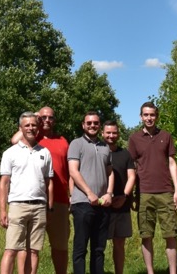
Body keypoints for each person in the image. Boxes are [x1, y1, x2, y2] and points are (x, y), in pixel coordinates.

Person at [12, 107, 72, 274]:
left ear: (55, 120)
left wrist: (72, 195)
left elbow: (70, 171)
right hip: (33, 200)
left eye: (50, 117)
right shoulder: (31, 138)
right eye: (43, 117)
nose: (46, 120)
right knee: (28, 247)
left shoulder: (63, 141)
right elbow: (14, 140)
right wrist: (35, 115)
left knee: (60, 246)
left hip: (59, 201)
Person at [127, 101, 177, 274]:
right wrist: (133, 194)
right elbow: (132, 168)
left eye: (152, 115)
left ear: (156, 116)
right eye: (146, 115)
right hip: (144, 192)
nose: (149, 118)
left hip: (165, 191)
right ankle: (150, 272)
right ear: (141, 117)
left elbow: (172, 163)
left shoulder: (166, 135)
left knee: (170, 234)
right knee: (146, 235)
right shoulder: (134, 139)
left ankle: (173, 271)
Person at [0, 112, 54, 274]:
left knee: (34, 251)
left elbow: (49, 183)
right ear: (20, 128)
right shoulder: (10, 153)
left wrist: (49, 208)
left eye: (34, 125)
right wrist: (2, 210)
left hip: (39, 207)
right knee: (11, 250)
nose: (30, 128)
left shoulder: (45, 152)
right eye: (27, 125)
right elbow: (4, 183)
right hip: (17, 206)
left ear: (38, 128)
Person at [68, 111, 114, 274]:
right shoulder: (76, 144)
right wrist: (89, 193)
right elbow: (73, 171)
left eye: (95, 123)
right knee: (80, 248)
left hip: (103, 204)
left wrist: (109, 193)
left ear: (99, 125)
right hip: (82, 203)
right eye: (89, 123)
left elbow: (110, 172)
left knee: (99, 248)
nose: (92, 125)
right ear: (83, 125)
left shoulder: (105, 147)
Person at [102, 120, 136, 274]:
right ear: (102, 134)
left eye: (114, 133)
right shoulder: (97, 151)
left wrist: (124, 196)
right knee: (99, 244)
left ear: (118, 134)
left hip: (121, 205)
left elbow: (132, 177)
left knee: (119, 243)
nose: (111, 135)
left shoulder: (125, 154)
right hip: (101, 204)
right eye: (108, 132)